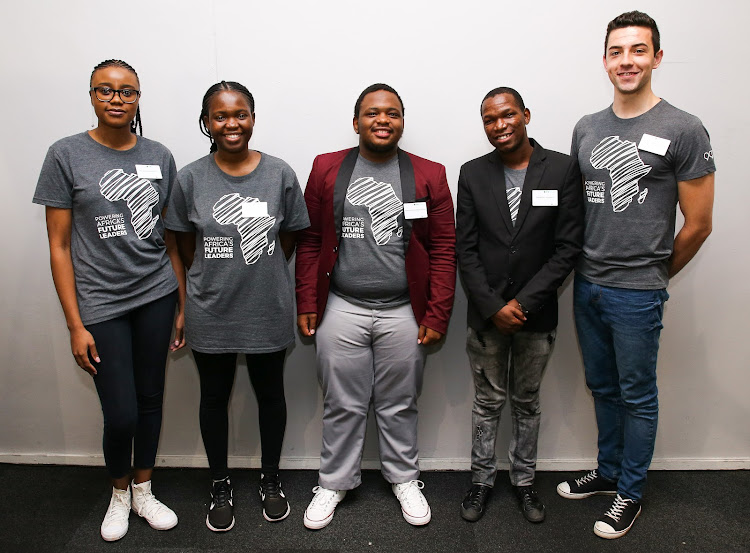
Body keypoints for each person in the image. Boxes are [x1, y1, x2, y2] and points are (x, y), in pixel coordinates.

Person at [557, 11, 715, 539]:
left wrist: (654, 274)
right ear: (605, 60)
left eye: (638, 50)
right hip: (588, 282)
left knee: (637, 393)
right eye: (617, 51)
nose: (627, 61)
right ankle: (607, 471)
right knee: (601, 385)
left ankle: (630, 491)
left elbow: (698, 224)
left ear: (657, 57)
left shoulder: (683, 128)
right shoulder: (587, 127)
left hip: (638, 291)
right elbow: (578, 210)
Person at [33, 59, 184, 542]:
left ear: (138, 98)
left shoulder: (159, 156)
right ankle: (119, 493)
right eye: (106, 90)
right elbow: (58, 246)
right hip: (101, 302)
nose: (117, 99)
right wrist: (75, 324)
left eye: (127, 91)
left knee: (150, 399)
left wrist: (180, 303)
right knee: (120, 412)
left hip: (156, 294)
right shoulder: (66, 154)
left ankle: (144, 488)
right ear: (92, 96)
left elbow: (170, 240)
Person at [295, 83, 456, 530]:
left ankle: (404, 477)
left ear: (402, 121)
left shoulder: (429, 173)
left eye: (392, 113)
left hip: (405, 310)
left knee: (399, 402)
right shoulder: (327, 169)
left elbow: (444, 248)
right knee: (342, 403)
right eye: (372, 113)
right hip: (341, 306)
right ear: (356, 122)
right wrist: (307, 301)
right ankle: (333, 481)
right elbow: (309, 241)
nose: (382, 120)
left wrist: (437, 312)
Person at [165, 81, 310, 532]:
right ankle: (221, 483)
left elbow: (288, 238)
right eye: (221, 116)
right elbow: (184, 247)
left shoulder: (280, 173)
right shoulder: (189, 178)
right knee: (214, 397)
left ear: (253, 117)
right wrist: (198, 294)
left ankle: (270, 480)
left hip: (266, 307)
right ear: (207, 122)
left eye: (241, 113)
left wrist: (258, 270)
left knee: (271, 396)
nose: (232, 123)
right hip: (213, 310)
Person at [456, 87, 583, 523]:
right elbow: (465, 249)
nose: (500, 125)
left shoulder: (563, 169)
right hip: (487, 315)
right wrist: (493, 306)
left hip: (537, 313)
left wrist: (523, 303)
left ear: (526, 115)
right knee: (487, 402)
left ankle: (525, 482)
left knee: (527, 402)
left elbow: (567, 248)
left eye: (507, 115)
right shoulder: (472, 174)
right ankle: (481, 481)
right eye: (490, 120)